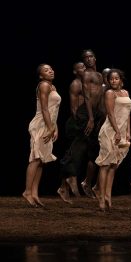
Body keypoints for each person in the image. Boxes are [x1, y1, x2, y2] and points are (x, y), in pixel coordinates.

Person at [23, 64, 61, 207]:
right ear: (41, 76)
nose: (50, 71)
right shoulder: (44, 85)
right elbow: (44, 109)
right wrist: (50, 128)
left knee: (42, 161)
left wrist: (55, 127)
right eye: (46, 70)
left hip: (49, 125)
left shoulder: (53, 87)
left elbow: (54, 111)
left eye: (51, 69)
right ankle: (27, 191)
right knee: (36, 158)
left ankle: (34, 193)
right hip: (40, 125)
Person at [95, 69, 131, 211]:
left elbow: (127, 114)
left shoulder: (126, 93)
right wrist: (117, 131)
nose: (114, 81)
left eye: (116, 78)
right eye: (111, 79)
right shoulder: (110, 93)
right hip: (110, 131)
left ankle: (108, 196)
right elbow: (110, 114)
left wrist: (128, 131)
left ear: (121, 79)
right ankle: (101, 197)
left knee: (113, 165)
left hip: (122, 131)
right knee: (105, 164)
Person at [57, 61, 85, 204]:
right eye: (80, 67)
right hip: (77, 122)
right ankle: (66, 183)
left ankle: (65, 185)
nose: (84, 68)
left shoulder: (89, 82)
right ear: (75, 71)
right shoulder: (76, 84)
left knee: (79, 153)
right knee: (72, 153)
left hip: (86, 121)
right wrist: (79, 123)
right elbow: (73, 107)